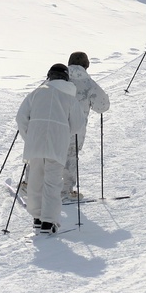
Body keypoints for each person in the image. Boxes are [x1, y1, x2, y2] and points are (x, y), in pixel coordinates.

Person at [16, 64, 86, 233]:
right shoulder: (70, 97)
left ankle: (37, 218)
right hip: (57, 144)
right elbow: (78, 124)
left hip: (35, 143)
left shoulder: (36, 93)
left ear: (49, 76)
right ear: (66, 78)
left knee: (36, 180)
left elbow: (21, 118)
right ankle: (49, 222)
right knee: (52, 182)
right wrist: (64, 132)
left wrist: (30, 136)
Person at [62, 51, 110, 201]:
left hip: (51, 126)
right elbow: (103, 106)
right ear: (86, 65)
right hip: (75, 130)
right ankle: (65, 192)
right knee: (70, 157)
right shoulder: (88, 84)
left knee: (46, 153)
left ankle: (31, 184)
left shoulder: (57, 78)